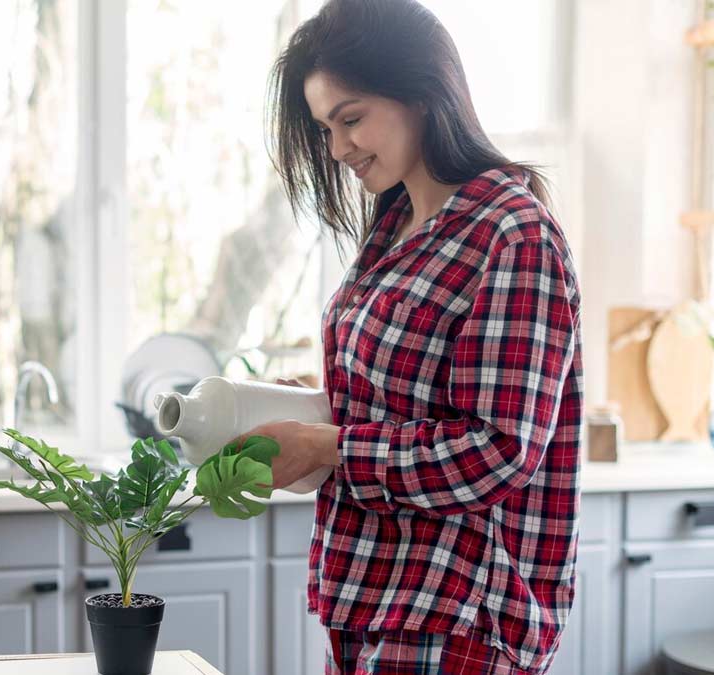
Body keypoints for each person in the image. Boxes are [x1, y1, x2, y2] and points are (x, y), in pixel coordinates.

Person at [243, 1, 583, 673]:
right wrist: (315, 413)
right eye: (324, 128)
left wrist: (327, 443)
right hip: (370, 591)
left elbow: (500, 448)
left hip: (457, 609)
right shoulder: (392, 226)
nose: (337, 148)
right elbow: (407, 405)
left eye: (350, 118)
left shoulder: (512, 233)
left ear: (421, 93)